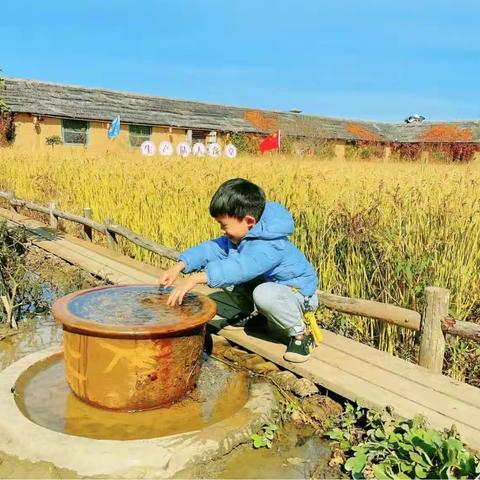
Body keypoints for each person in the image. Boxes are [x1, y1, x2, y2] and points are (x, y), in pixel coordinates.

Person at [159, 178, 319, 363]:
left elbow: (241, 268)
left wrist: (196, 278)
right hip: (276, 290)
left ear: (248, 220)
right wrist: (179, 266)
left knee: (262, 292)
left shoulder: (271, 245)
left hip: (298, 297)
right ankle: (256, 317)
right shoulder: (244, 235)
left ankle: (301, 333)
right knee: (239, 275)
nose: (222, 230)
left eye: (224, 225)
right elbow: (211, 249)